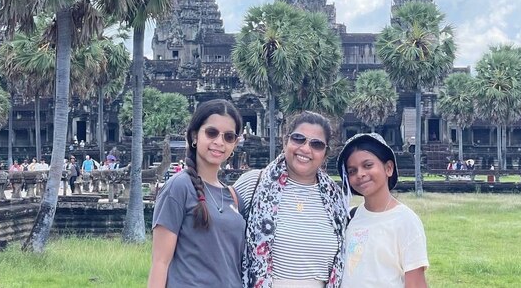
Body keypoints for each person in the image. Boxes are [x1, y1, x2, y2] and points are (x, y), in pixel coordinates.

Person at [234, 111, 347, 288]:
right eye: (298, 138)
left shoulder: (336, 199)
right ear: (285, 141)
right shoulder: (253, 184)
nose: (305, 149)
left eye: (316, 144)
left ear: (325, 154)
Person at [148, 99, 245, 288]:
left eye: (228, 137)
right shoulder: (178, 187)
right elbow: (160, 263)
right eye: (211, 133)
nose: (219, 142)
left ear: (234, 144)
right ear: (194, 136)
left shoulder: (234, 196)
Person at [338, 133, 429, 288]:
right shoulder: (350, 217)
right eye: (352, 171)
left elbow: (416, 283)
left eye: (368, 165)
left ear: (388, 168)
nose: (360, 174)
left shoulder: (405, 221)